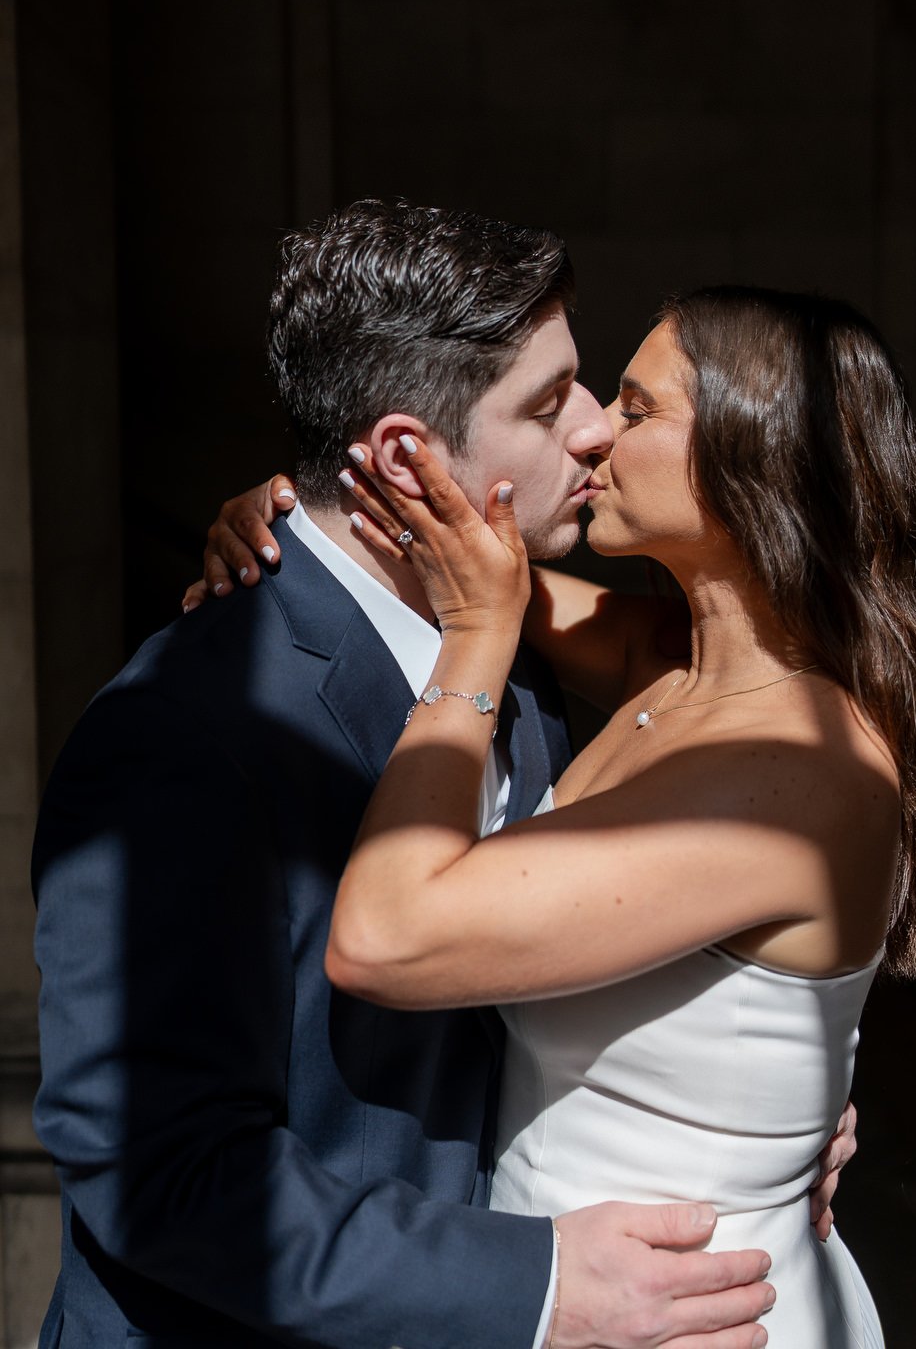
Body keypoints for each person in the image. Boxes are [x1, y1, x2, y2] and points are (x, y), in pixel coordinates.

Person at [32, 201, 797, 1349]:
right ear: (404, 455)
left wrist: (762, 1116)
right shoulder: (178, 735)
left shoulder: (509, 641)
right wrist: (533, 1289)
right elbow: (161, 1170)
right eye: (548, 404)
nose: (594, 430)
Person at [206, 281, 916, 1344]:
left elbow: (384, 937)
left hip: (691, 1315)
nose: (595, 433)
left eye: (638, 408)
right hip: (562, 1287)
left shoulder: (797, 773)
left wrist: (476, 648)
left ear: (755, 459)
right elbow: (453, 560)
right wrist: (305, 515)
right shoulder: (673, 660)